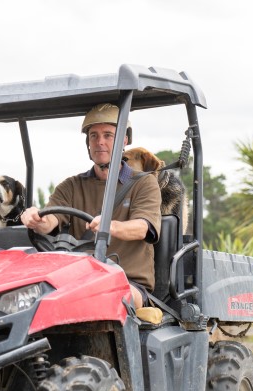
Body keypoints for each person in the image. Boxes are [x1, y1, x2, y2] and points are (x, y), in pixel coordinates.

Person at [20, 103, 161, 309]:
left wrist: (109, 226)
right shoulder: (71, 186)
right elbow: (50, 221)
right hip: (76, 282)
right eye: (93, 136)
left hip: (127, 282)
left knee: (103, 298)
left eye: (108, 135)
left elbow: (143, 227)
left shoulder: (143, 183)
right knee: (24, 299)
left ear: (124, 140)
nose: (100, 142)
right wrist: (35, 219)